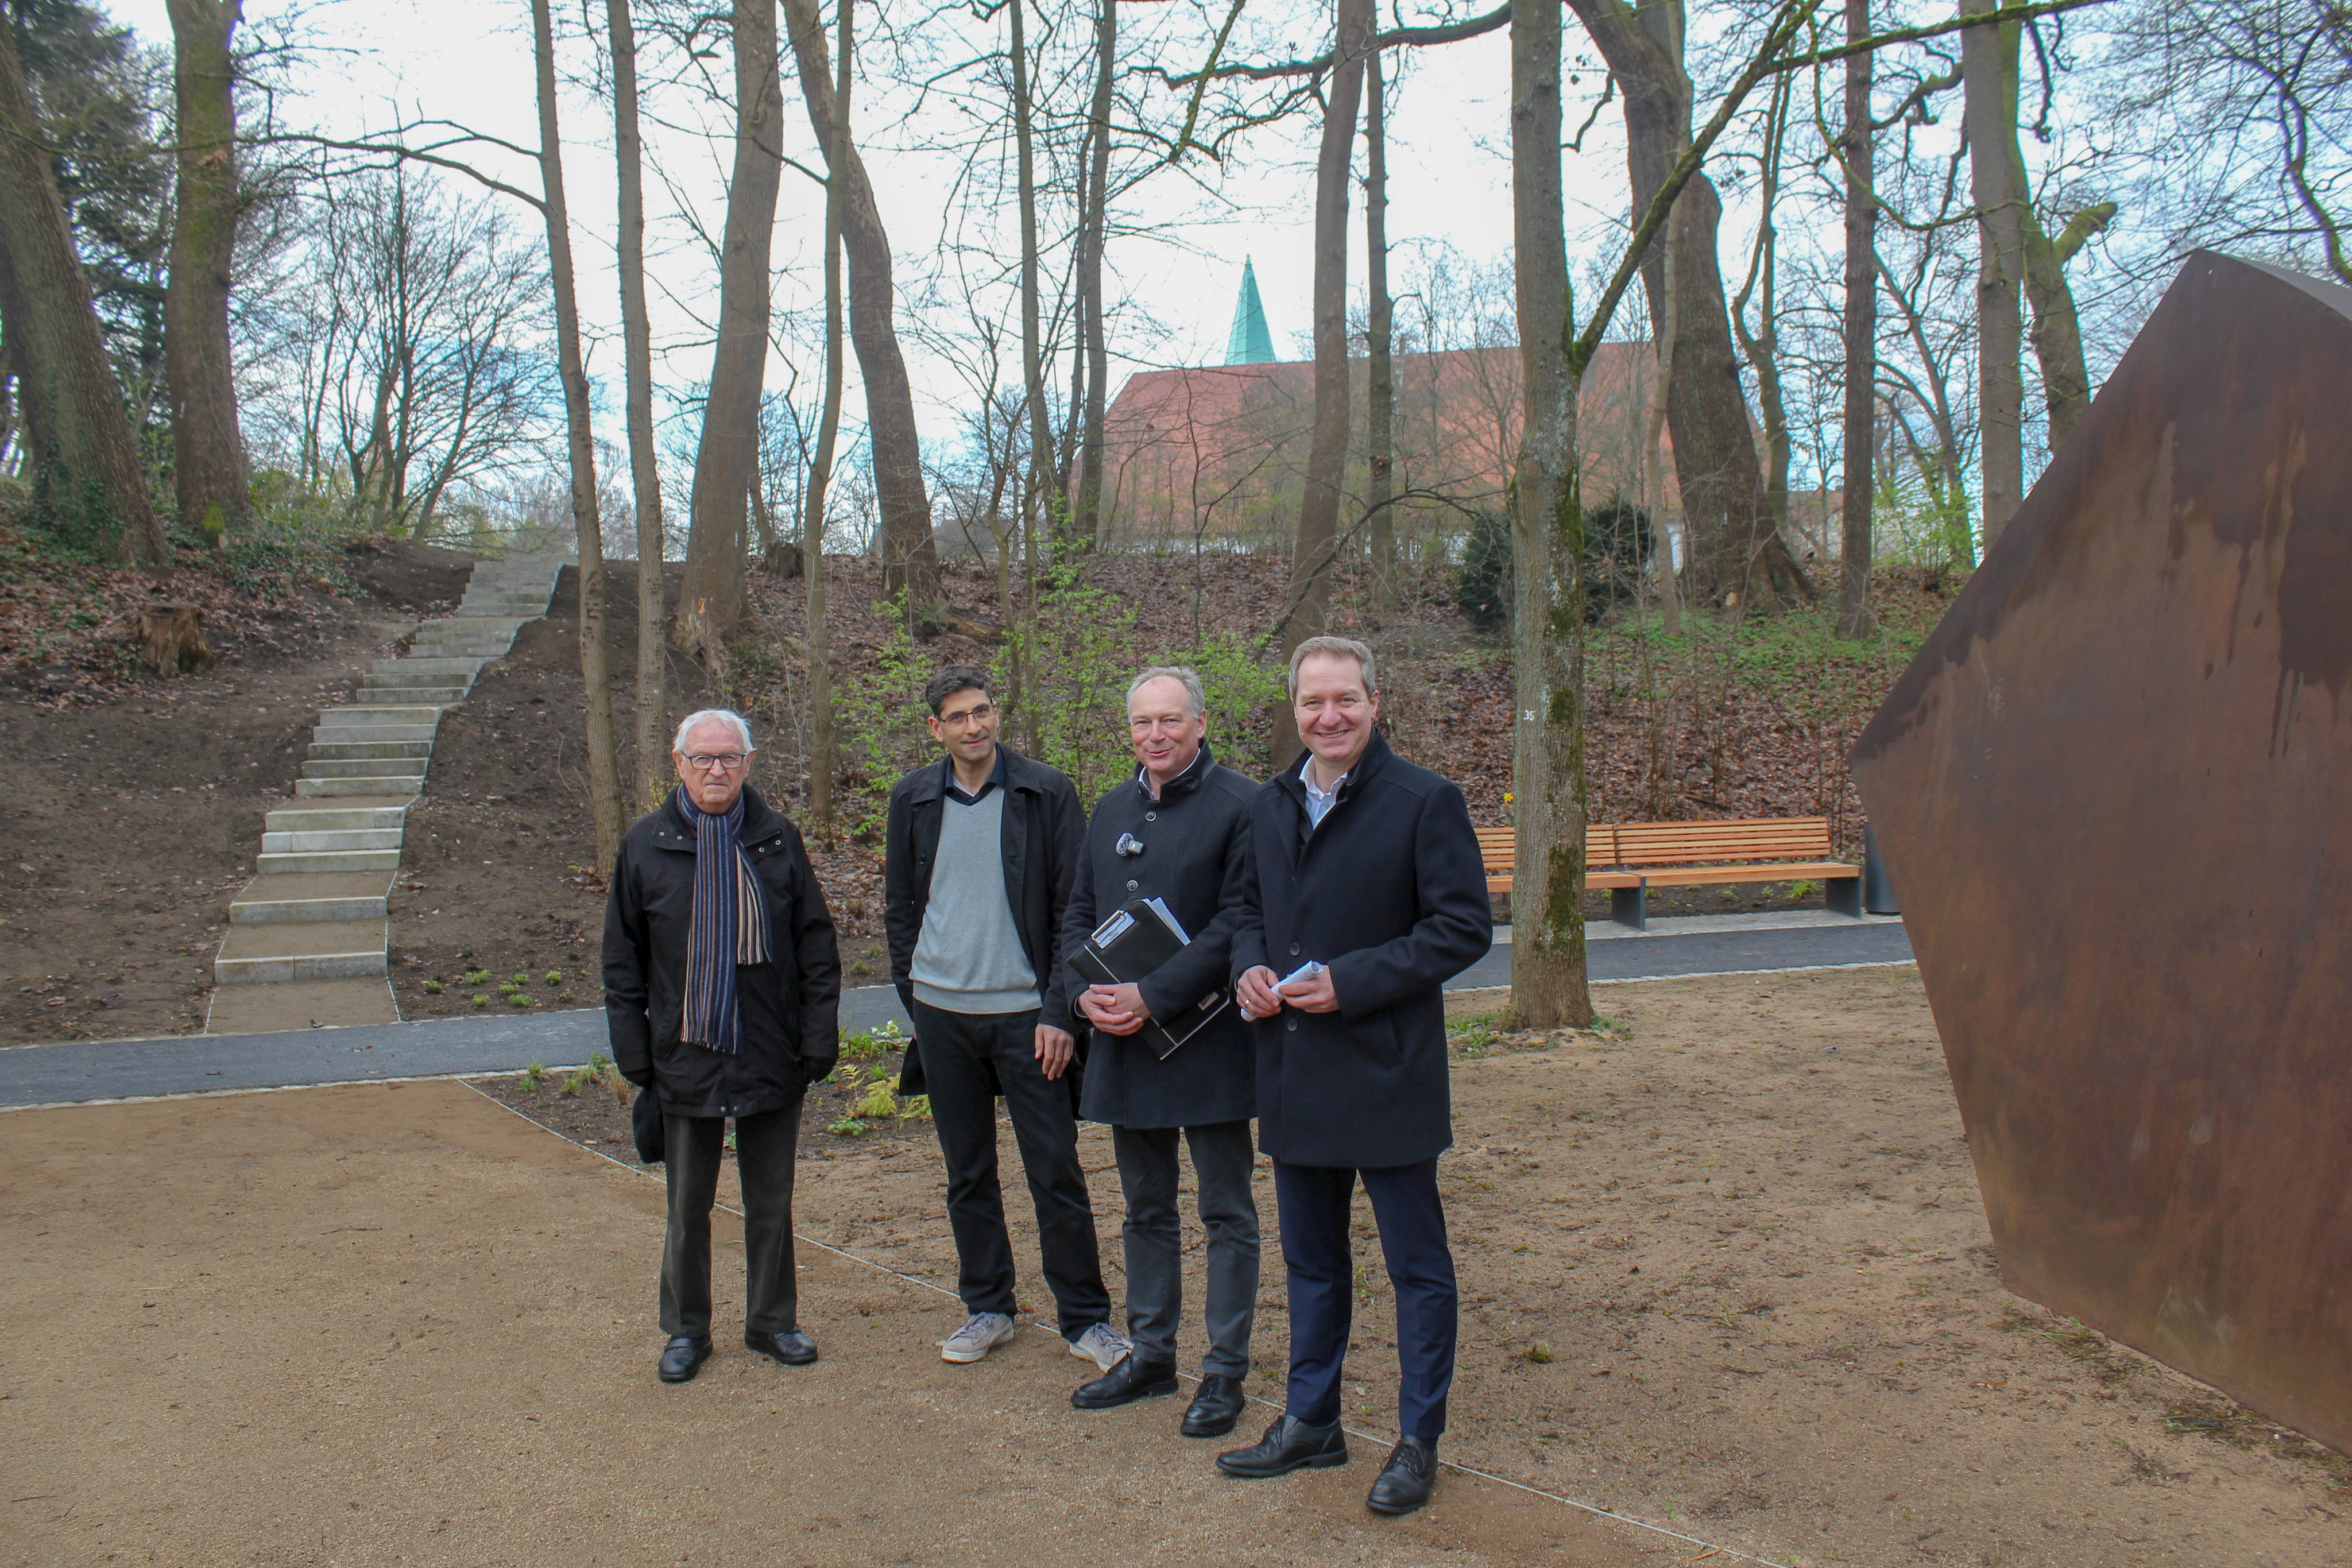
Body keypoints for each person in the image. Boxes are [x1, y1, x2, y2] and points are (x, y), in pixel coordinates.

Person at [1214, 636, 1492, 1516]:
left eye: (1345, 698)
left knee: (1417, 1266)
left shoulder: (1425, 800)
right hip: (1293, 1069)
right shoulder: (1268, 804)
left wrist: (1355, 981)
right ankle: (1311, 1419)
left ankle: (1418, 1439)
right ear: (1292, 708)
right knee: (1311, 1261)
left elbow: (1462, 927)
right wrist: (1248, 968)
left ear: (1378, 699)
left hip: (1387, 1068)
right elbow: (1248, 909)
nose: (1328, 716)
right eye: (1312, 702)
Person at [883, 665, 1128, 1375]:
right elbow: (900, 907)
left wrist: (1061, 1010)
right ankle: (987, 1304)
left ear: (997, 714)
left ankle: (1085, 1319)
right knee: (968, 1172)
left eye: (982, 711)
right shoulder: (913, 800)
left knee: (1054, 1168)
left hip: (1030, 1019)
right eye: (957, 717)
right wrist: (915, 992)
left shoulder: (1044, 792)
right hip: (942, 1015)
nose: (974, 726)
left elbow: (1072, 911)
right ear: (937, 728)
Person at [1047, 667, 1261, 1438]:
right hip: (1124, 1045)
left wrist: (1154, 993)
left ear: (1201, 722)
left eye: (1171, 719)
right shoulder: (1109, 807)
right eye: (1143, 721)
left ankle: (1225, 1371)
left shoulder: (1244, 804)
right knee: (1144, 1207)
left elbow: (1241, 916)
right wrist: (1085, 996)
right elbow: (1075, 914)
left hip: (1208, 1041)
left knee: (1226, 1209)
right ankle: (1153, 1351)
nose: (1156, 734)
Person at [603, 708, 841, 1385]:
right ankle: (686, 1329)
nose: (717, 770)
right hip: (685, 1050)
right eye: (703, 758)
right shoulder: (646, 844)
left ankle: (772, 1321)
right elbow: (622, 961)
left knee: (771, 1199)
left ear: (748, 762)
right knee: (687, 1205)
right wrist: (636, 1055)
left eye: (729, 758)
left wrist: (817, 1036)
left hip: (771, 1047)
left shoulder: (776, 839)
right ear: (677, 763)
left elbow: (816, 944)